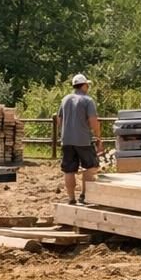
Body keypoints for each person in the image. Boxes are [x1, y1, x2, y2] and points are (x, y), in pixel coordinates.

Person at [56, 74, 102, 205]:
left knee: (69, 170)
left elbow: (59, 119)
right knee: (90, 167)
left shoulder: (65, 99)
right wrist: (98, 136)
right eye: (87, 85)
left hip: (67, 140)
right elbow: (93, 121)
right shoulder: (88, 100)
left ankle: (71, 198)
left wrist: (64, 132)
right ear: (84, 85)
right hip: (83, 140)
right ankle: (84, 196)